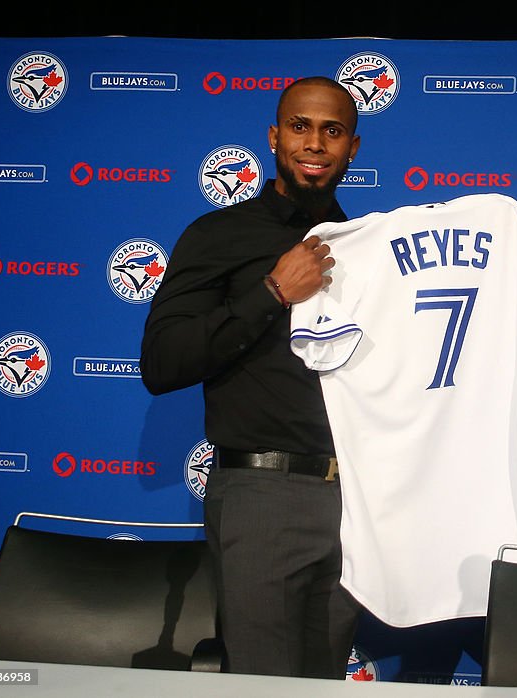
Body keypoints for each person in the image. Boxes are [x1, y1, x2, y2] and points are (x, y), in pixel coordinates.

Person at [139, 76, 361, 678]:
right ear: (274, 136)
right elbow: (161, 364)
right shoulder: (217, 236)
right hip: (264, 496)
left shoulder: (368, 246)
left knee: (324, 684)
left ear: (352, 148)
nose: (315, 143)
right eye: (300, 126)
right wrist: (270, 292)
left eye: (332, 131)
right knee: (263, 686)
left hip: (360, 501)